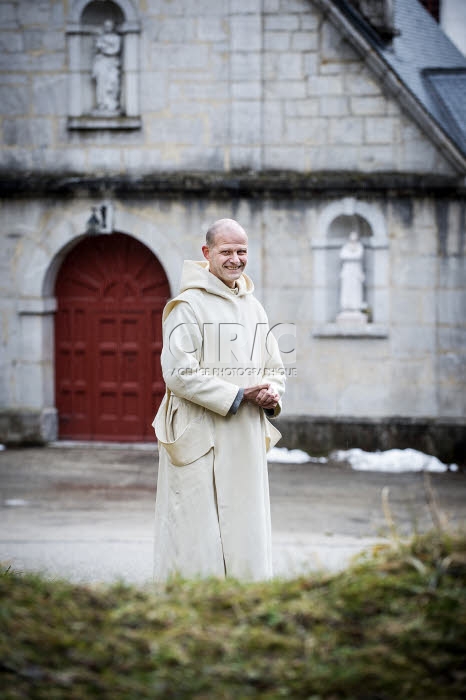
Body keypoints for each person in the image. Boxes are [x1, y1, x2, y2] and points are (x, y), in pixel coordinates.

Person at [152, 218, 286, 582]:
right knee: (197, 532)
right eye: (226, 251)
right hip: (201, 434)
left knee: (245, 525)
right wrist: (237, 395)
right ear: (206, 253)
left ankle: (246, 604)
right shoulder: (186, 306)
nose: (235, 259)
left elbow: (275, 366)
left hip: (243, 435)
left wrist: (272, 391)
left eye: (241, 251)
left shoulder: (253, 307)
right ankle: (192, 613)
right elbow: (178, 373)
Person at [92, 20, 121, 113]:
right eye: (106, 26)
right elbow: (97, 49)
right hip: (102, 63)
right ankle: (102, 104)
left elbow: (115, 50)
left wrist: (104, 47)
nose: (108, 27)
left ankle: (111, 103)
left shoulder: (116, 38)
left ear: (113, 26)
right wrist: (103, 47)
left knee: (113, 81)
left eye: (110, 25)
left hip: (112, 63)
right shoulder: (100, 38)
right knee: (101, 83)